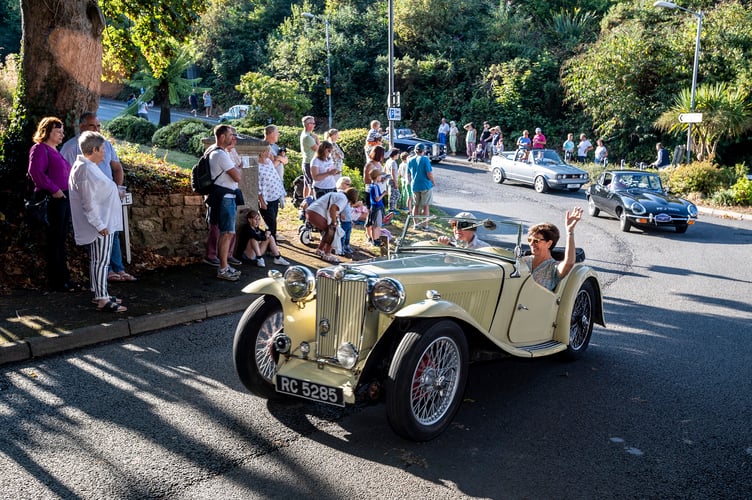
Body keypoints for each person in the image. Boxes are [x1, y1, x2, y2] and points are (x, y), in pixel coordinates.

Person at [60, 112, 136, 283]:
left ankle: (119, 268)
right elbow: (65, 175)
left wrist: (116, 189)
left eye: (99, 126)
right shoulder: (71, 148)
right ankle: (104, 277)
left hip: (109, 198)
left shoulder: (106, 145)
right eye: (92, 126)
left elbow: (117, 168)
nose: (97, 129)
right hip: (90, 199)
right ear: (81, 127)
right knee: (99, 235)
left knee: (114, 232)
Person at [68, 131, 127, 313]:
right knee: (101, 261)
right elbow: (88, 202)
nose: (104, 153)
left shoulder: (88, 166)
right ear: (94, 149)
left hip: (103, 220)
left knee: (98, 260)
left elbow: (97, 192)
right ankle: (102, 298)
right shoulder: (85, 169)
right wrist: (100, 225)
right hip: (101, 223)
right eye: (102, 149)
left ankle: (100, 292)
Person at [27, 117, 82, 292]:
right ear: (47, 131)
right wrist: (53, 189)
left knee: (60, 239)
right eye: (57, 131)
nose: (61, 134)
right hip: (53, 199)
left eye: (62, 131)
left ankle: (64, 279)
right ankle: (58, 281)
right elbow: (35, 172)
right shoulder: (40, 149)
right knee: (55, 240)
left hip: (64, 198)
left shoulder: (56, 150)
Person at [206, 125, 242, 281]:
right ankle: (223, 268)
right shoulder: (221, 155)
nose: (232, 137)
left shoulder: (213, 151)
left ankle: (224, 266)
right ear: (221, 137)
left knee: (225, 232)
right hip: (225, 197)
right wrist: (237, 169)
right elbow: (237, 176)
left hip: (221, 196)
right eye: (230, 135)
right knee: (227, 233)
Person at [522, 207, 583, 291]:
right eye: (529, 240)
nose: (531, 244)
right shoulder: (524, 261)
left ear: (549, 243)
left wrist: (570, 232)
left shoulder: (553, 268)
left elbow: (569, 263)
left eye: (536, 241)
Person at [304, 188, 360, 264]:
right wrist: (334, 222)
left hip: (311, 211)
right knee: (333, 230)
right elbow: (333, 208)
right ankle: (327, 254)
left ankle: (320, 250)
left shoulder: (340, 196)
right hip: (316, 213)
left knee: (328, 230)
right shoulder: (343, 199)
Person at [257, 144, 287, 244]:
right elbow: (258, 186)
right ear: (262, 152)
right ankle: (271, 248)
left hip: (275, 196)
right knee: (271, 224)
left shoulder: (269, 162)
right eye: (268, 151)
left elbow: (275, 177)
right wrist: (261, 201)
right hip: (266, 199)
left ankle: (270, 245)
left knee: (273, 222)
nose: (270, 153)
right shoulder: (257, 166)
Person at [408, 143, 435, 230]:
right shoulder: (425, 159)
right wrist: (433, 182)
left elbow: (408, 174)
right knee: (425, 206)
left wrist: (410, 183)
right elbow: (429, 173)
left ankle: (416, 224)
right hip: (425, 185)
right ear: (423, 151)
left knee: (415, 205)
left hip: (415, 185)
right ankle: (425, 225)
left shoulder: (410, 160)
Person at [363, 145, 385, 241]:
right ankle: (369, 235)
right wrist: (377, 181)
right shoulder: (370, 164)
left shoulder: (379, 164)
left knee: (377, 214)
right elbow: (366, 180)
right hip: (371, 192)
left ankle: (374, 234)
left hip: (379, 190)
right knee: (371, 214)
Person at [366, 168, 387, 247]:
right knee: (376, 225)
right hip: (377, 207)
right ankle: (375, 240)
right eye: (380, 176)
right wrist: (384, 194)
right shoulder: (375, 186)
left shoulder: (372, 185)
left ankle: (376, 239)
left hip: (375, 207)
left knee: (377, 224)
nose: (381, 177)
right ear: (377, 176)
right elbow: (377, 199)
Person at [299, 115, 319, 198]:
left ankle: (304, 205)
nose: (314, 125)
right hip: (310, 163)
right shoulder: (307, 137)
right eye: (313, 123)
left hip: (306, 162)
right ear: (308, 124)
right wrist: (317, 139)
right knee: (312, 186)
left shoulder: (305, 134)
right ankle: (309, 205)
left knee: (307, 184)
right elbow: (319, 150)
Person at [336, 176, 355, 257]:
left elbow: (349, 206)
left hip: (348, 217)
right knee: (343, 234)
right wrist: (339, 214)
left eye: (349, 184)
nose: (348, 185)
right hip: (343, 217)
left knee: (348, 234)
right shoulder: (340, 193)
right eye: (346, 184)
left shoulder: (347, 194)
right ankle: (341, 248)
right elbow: (338, 206)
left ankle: (346, 246)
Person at [384, 148, 401, 213]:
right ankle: (391, 209)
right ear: (395, 155)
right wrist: (396, 182)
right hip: (392, 180)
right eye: (397, 154)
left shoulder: (388, 161)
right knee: (393, 195)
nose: (398, 155)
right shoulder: (393, 162)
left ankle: (393, 207)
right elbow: (393, 173)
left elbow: (384, 169)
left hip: (389, 179)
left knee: (395, 195)